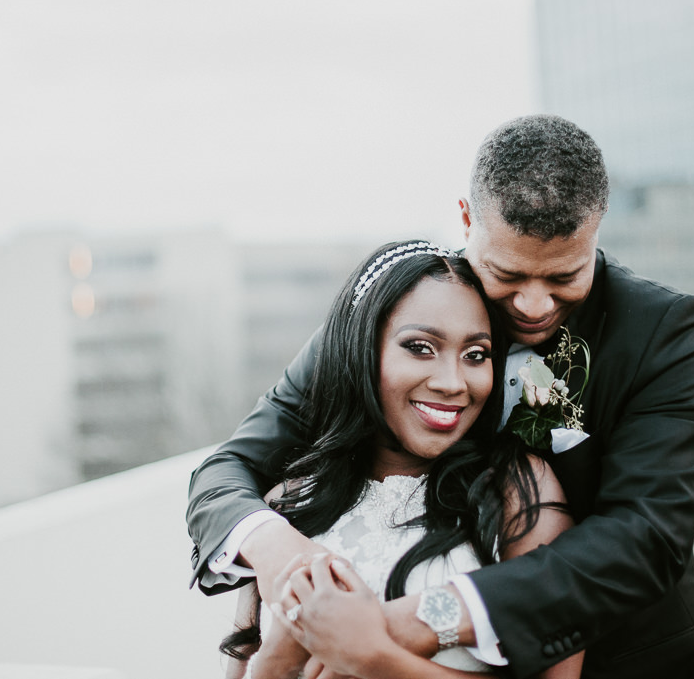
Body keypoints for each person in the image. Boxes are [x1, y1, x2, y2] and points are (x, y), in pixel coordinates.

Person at [189, 115, 694, 679]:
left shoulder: (665, 331)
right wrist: (279, 549)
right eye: (507, 274)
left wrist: (404, 626)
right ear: (466, 218)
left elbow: (646, 537)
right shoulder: (405, 310)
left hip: (649, 661)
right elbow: (229, 468)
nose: (534, 306)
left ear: (598, 228)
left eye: (564, 276)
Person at [220, 240, 582, 678]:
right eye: (420, 347)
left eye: (475, 355)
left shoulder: (517, 492)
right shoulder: (291, 502)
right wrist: (276, 664)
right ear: (361, 349)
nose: (453, 382)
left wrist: (375, 659)